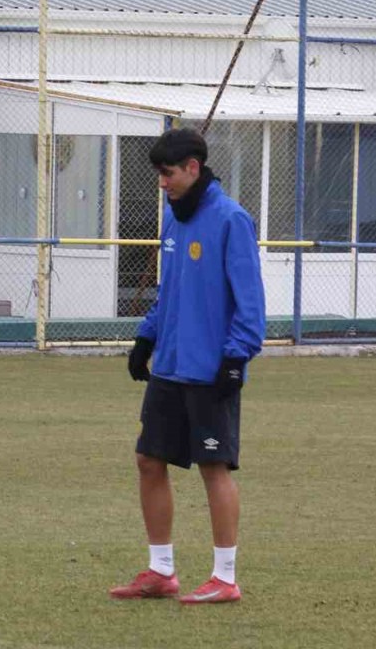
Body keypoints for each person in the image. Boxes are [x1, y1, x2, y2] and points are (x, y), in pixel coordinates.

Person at [110, 128, 266, 605]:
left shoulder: (231, 219)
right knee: (148, 461)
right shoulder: (174, 220)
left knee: (213, 468)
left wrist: (237, 358)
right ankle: (161, 571)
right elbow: (169, 291)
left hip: (210, 370)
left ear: (193, 168)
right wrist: (146, 336)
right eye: (159, 174)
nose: (162, 183)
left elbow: (251, 303)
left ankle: (225, 577)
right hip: (170, 368)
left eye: (169, 174)